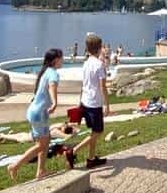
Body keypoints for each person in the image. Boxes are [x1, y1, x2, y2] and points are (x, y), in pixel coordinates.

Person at [9, 48, 64, 181]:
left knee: (45, 140)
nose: (63, 60)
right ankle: (15, 166)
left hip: (35, 112)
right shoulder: (53, 74)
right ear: (56, 60)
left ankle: (41, 171)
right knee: (41, 145)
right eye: (62, 58)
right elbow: (52, 87)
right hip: (39, 114)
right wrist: (55, 103)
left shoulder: (46, 72)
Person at [66, 34, 110, 170]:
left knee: (93, 132)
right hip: (94, 104)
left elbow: (84, 84)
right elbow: (103, 87)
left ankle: (91, 159)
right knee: (97, 132)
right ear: (99, 48)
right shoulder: (99, 65)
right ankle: (73, 151)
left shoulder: (86, 63)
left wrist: (80, 101)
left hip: (85, 101)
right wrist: (106, 105)